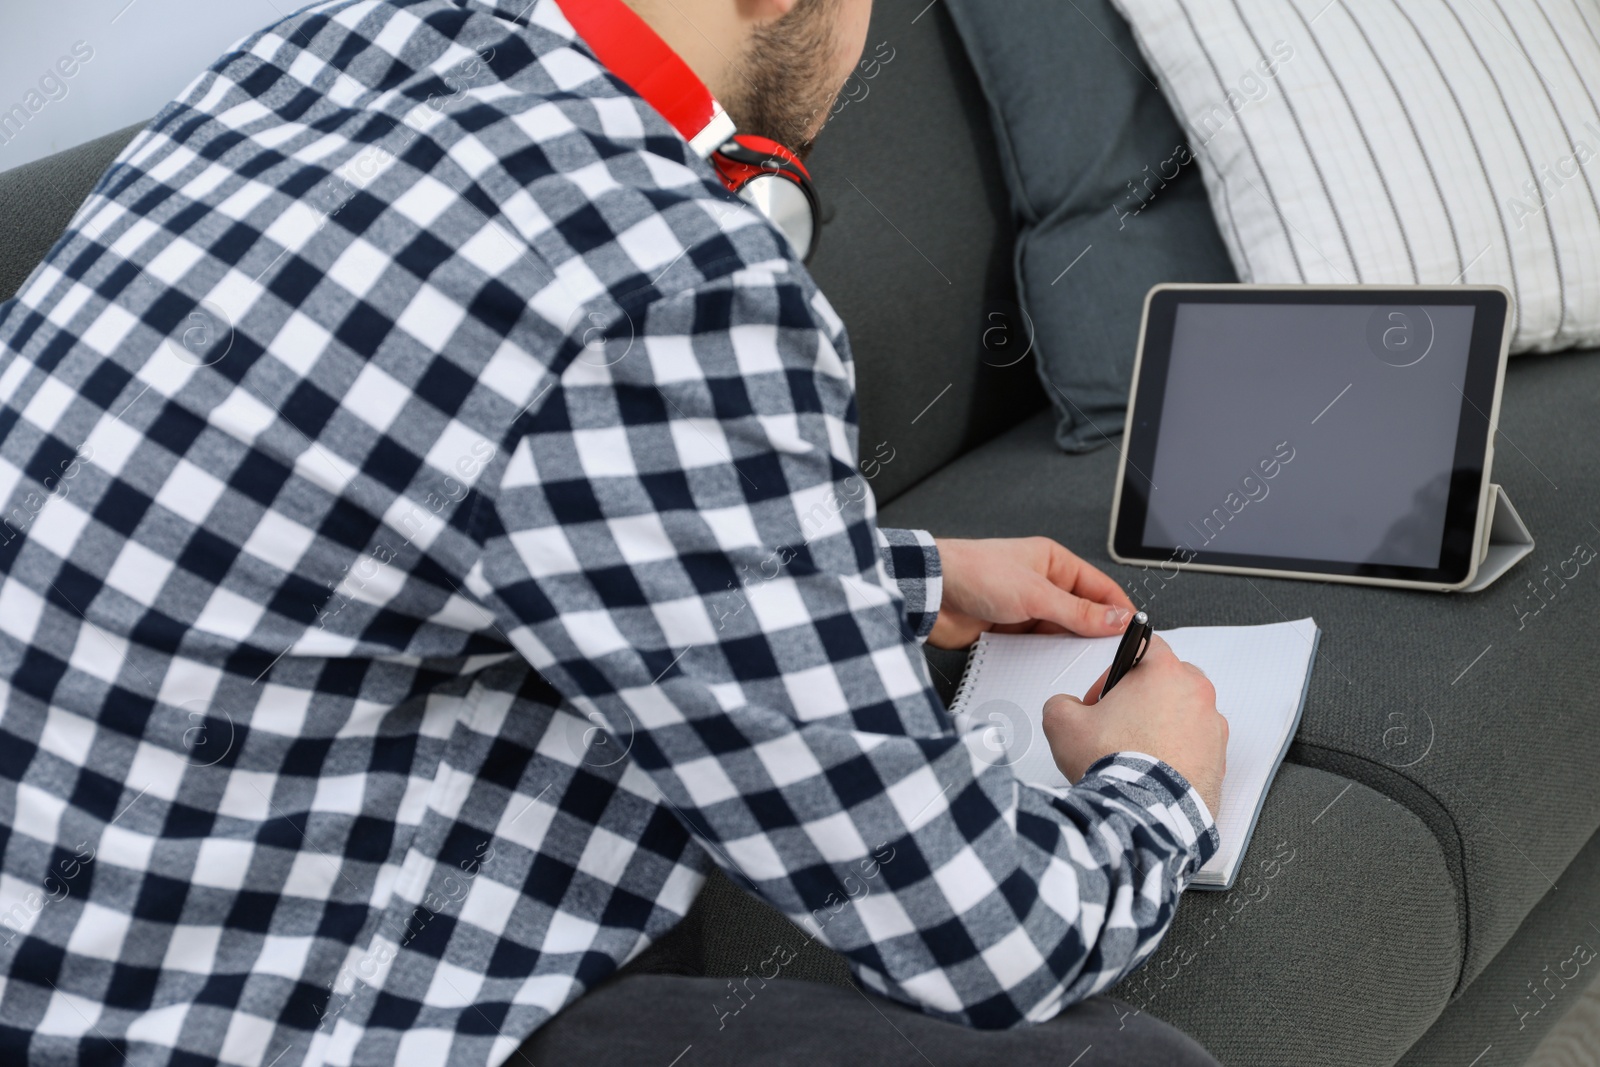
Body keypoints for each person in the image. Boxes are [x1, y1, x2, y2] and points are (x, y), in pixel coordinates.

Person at [0, 0, 1229, 1062]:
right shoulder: (663, 275)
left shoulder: (309, 59)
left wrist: (886, 578)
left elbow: (446, 511)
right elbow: (983, 939)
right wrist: (1157, 782)